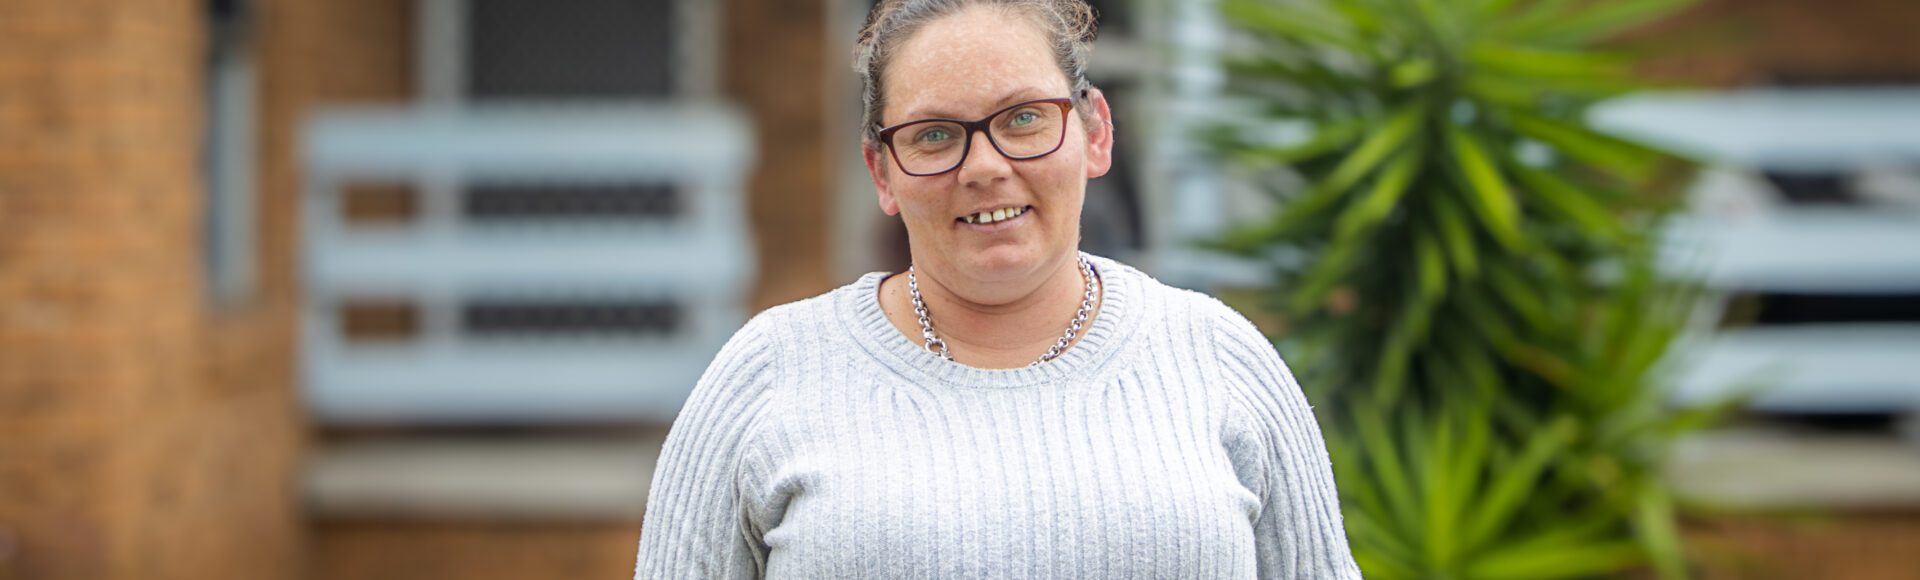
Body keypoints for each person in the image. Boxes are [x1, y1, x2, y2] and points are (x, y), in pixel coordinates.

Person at [634, 0, 1361, 577]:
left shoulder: (1218, 357)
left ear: (1095, 131)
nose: (983, 166)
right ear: (881, 171)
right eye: (934, 135)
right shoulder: (770, 374)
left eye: (1023, 119)